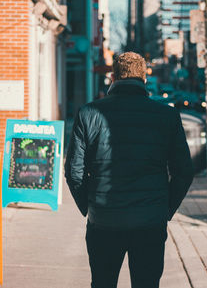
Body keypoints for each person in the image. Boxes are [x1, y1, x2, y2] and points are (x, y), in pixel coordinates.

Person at [65, 51, 194, 288]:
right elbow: (184, 171)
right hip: (150, 221)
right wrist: (165, 209)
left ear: (112, 77)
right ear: (144, 79)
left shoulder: (88, 113)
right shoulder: (166, 115)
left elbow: (74, 171)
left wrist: (89, 206)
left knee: (103, 283)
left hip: (104, 220)